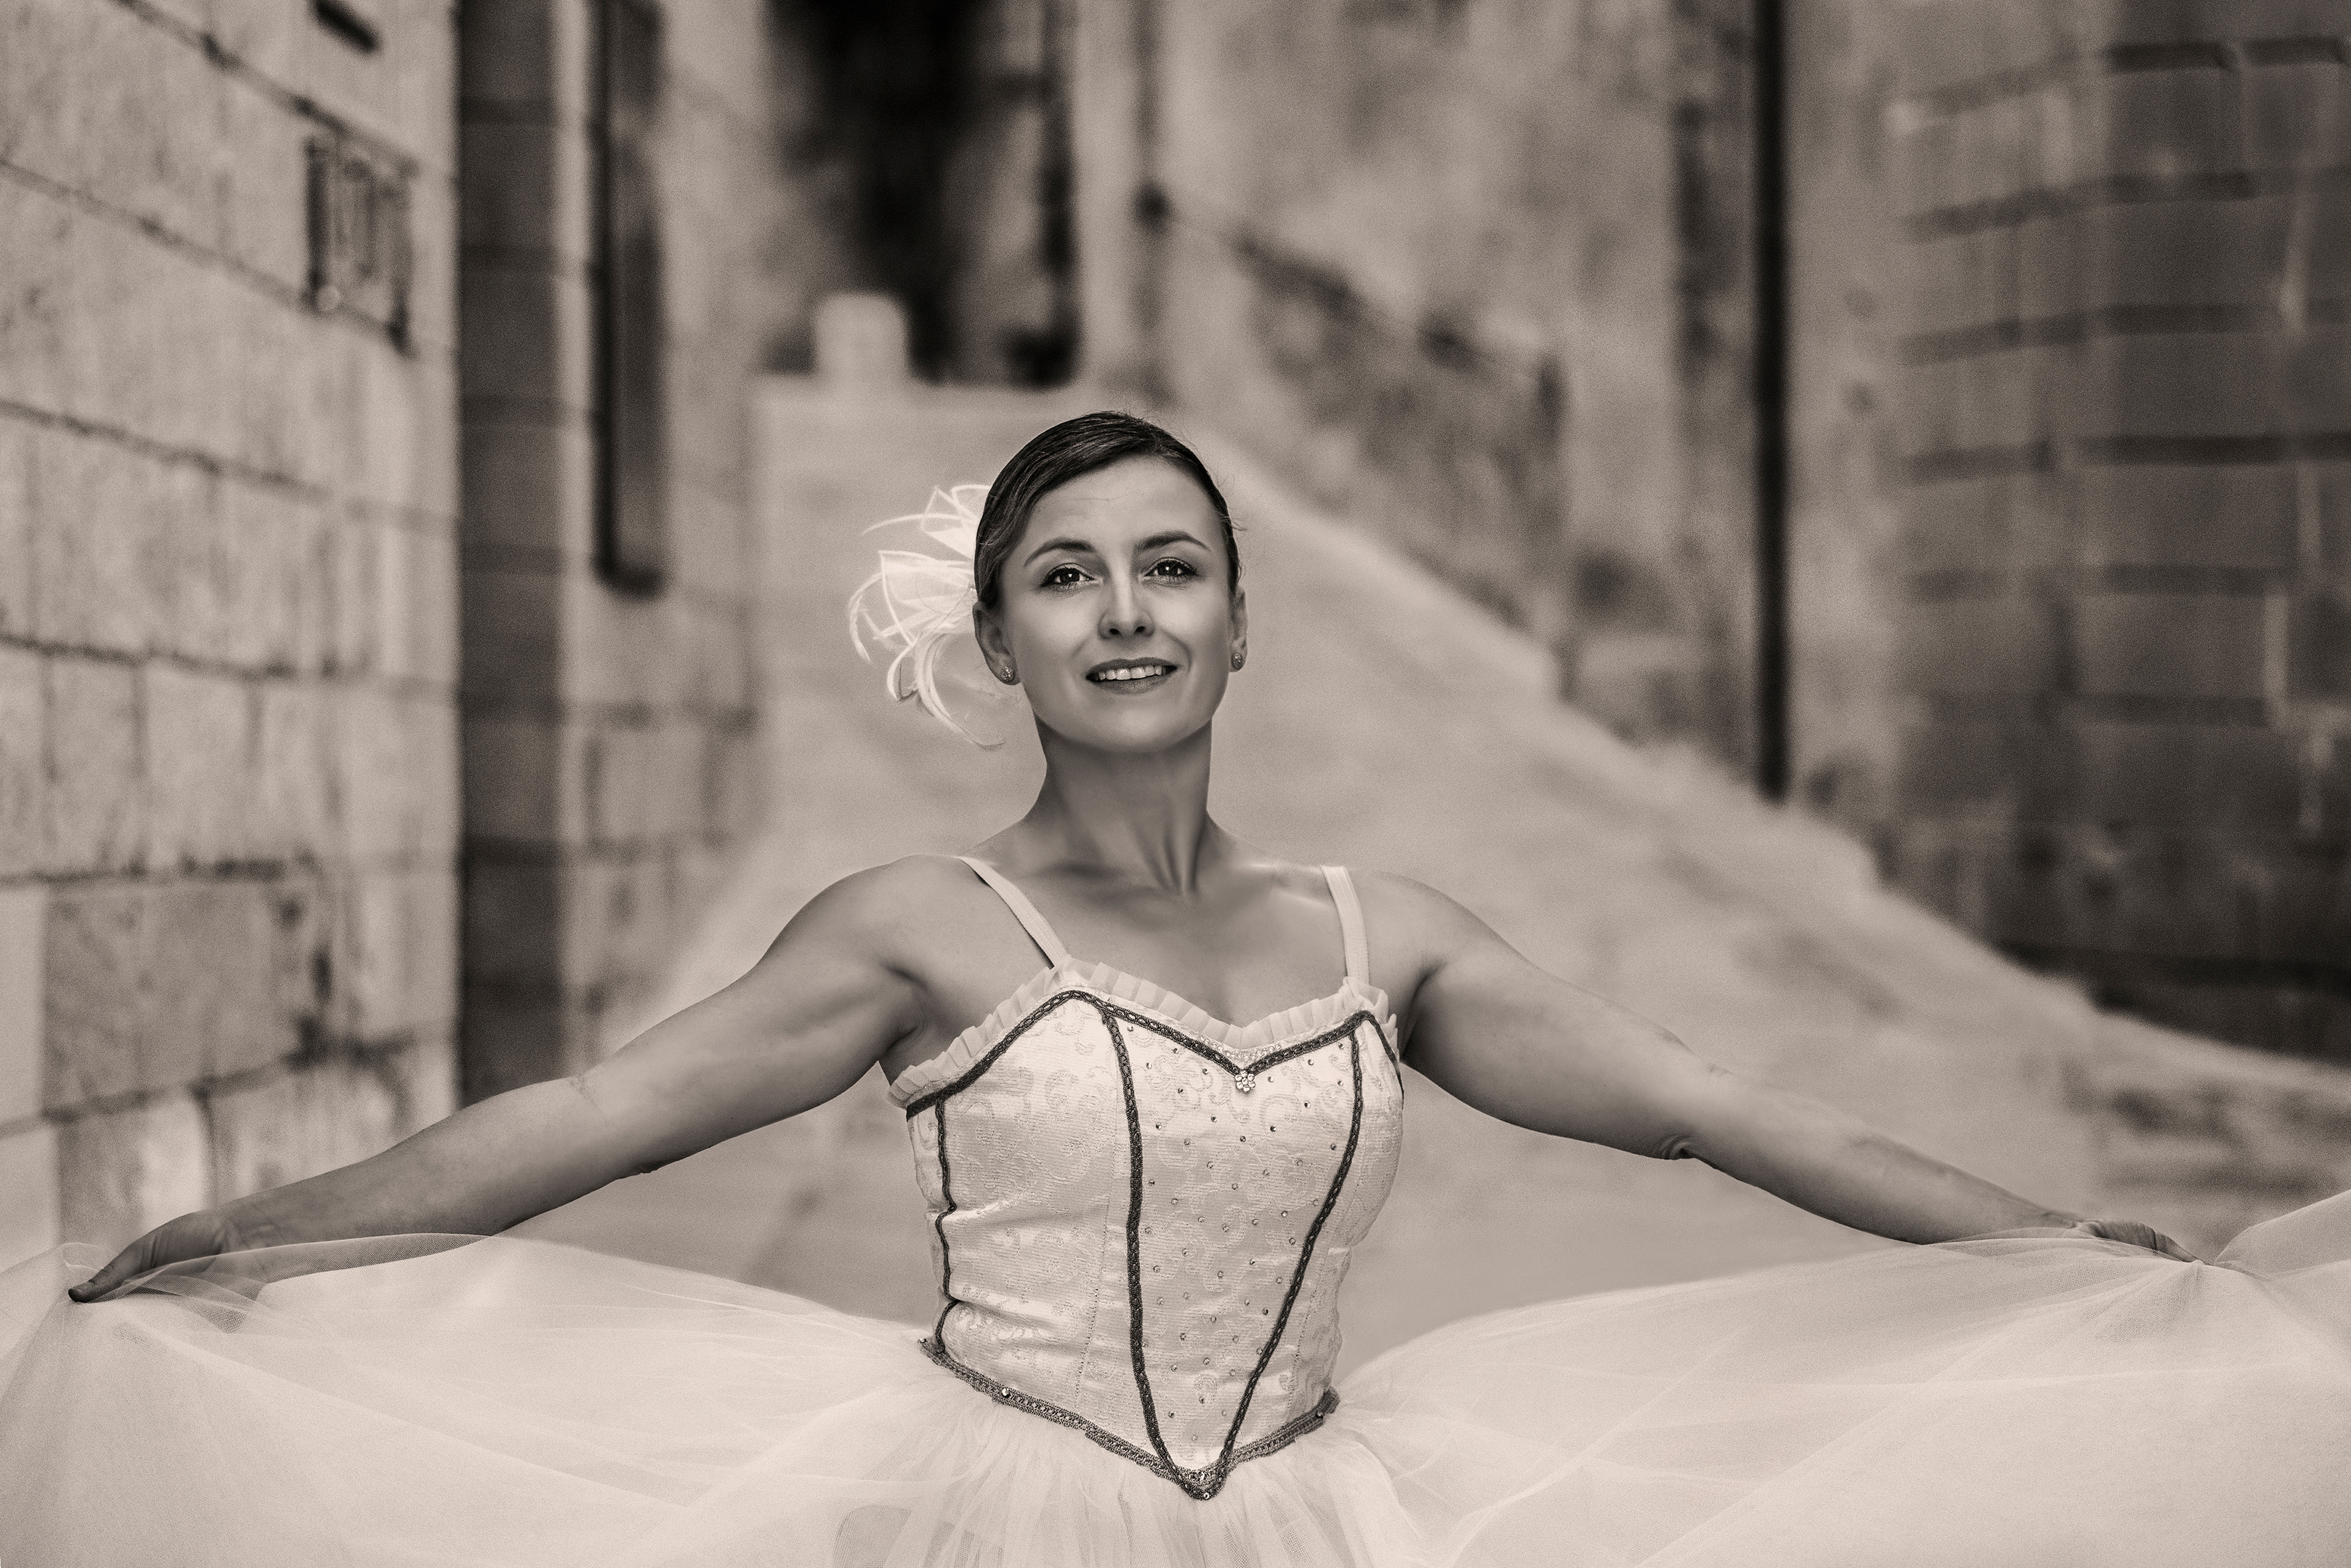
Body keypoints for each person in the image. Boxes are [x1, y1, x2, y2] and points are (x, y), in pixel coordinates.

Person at [3, 411, 2345, 1567]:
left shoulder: (1385, 933)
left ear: (1242, 615)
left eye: (1172, 567)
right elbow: (594, 1119)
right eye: (1064, 575)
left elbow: (1727, 1110)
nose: (1124, 610)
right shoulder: (918, 927)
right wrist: (248, 1233)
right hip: (982, 1514)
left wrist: (2051, 1245)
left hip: (1330, 1517)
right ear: (1001, 635)